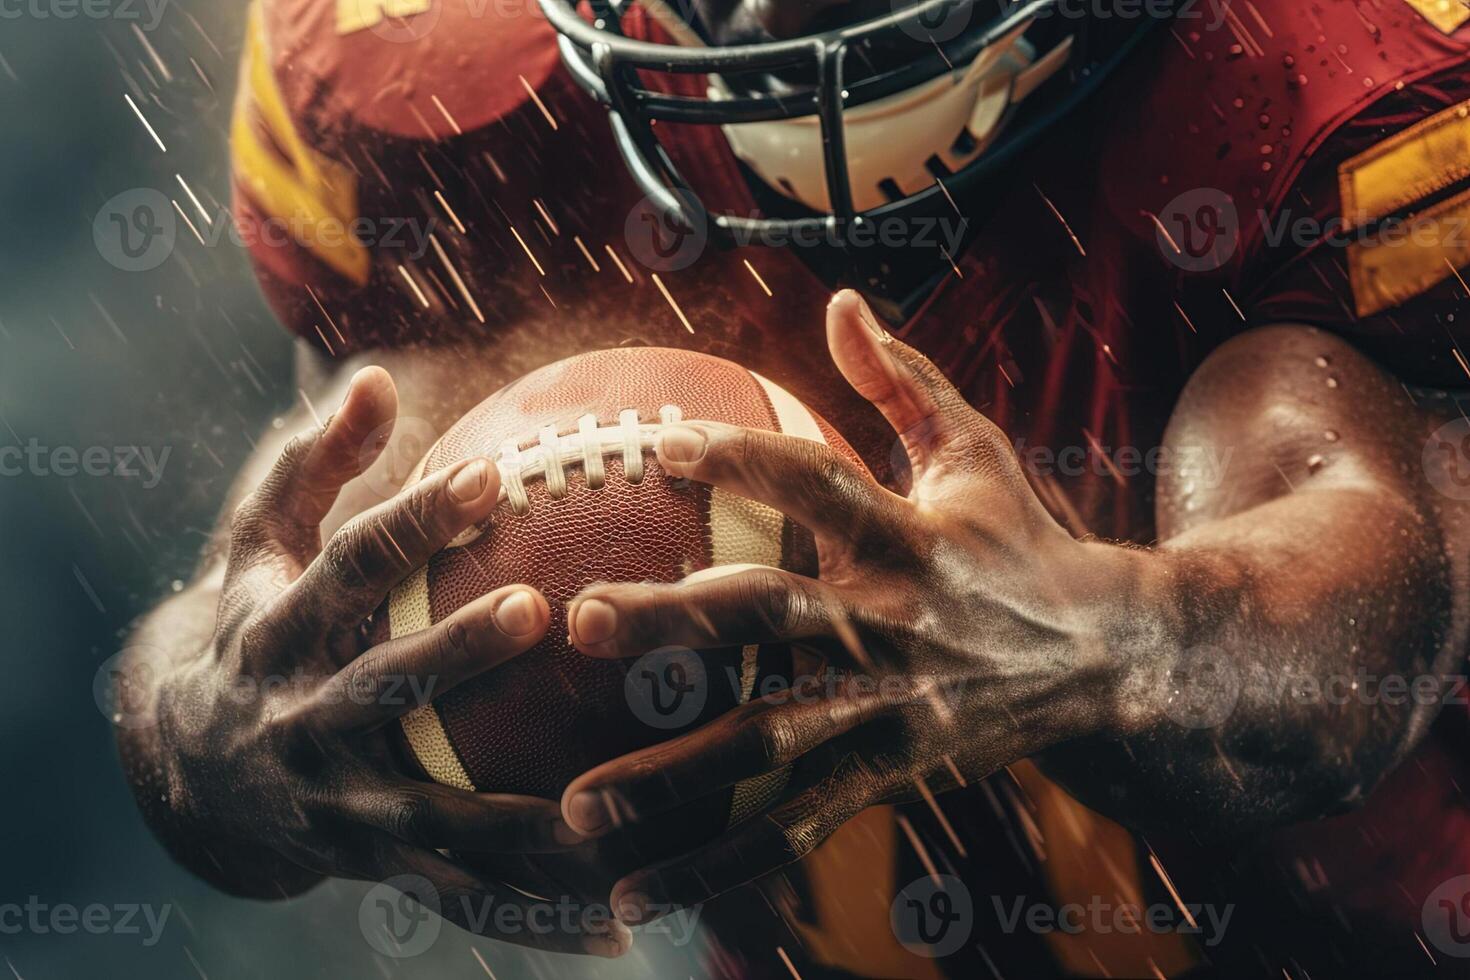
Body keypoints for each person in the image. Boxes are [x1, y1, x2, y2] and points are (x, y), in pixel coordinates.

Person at [116, 0, 1470, 973]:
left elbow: (1352, 601)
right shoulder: (442, 77)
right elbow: (293, 551)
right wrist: (200, 731)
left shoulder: (1314, 72)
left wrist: (1113, 640)